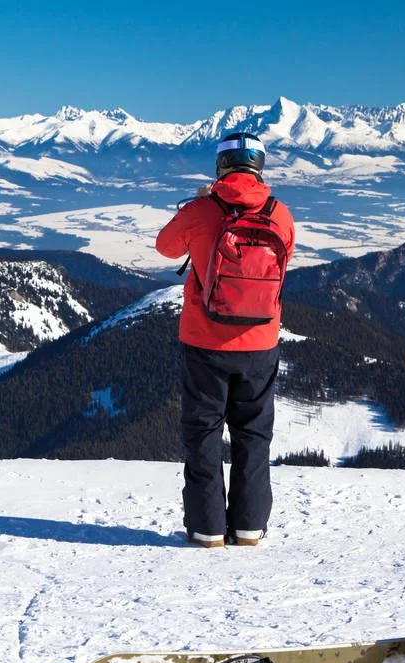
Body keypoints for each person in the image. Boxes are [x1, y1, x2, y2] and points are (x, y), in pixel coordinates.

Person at [155, 131, 296, 548]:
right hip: (260, 341)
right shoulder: (281, 215)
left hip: (205, 342)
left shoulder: (202, 209)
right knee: (253, 434)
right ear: (260, 166)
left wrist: (198, 206)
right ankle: (250, 528)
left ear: (221, 167)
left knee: (204, 432)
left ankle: (207, 529)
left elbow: (165, 247)